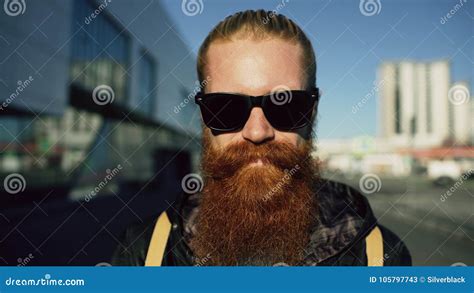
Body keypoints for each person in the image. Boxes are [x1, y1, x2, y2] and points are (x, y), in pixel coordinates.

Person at [112, 9, 411, 266]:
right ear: (204, 114)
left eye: (286, 105)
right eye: (226, 108)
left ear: (313, 111)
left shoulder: (380, 258)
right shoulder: (145, 254)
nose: (257, 132)